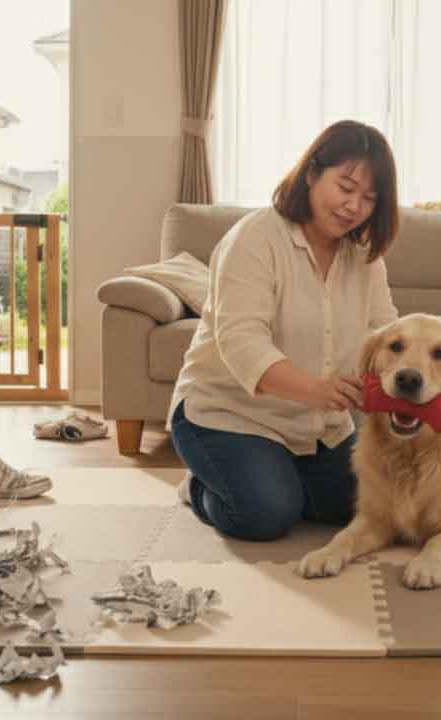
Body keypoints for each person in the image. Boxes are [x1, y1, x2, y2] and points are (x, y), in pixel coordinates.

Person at [167, 120, 401, 541]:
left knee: (372, 507)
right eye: (345, 188)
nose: (354, 207)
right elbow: (242, 342)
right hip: (228, 414)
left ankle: (277, 475)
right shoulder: (255, 238)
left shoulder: (365, 258)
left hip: (317, 427)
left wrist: (397, 387)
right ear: (312, 173)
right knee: (266, 514)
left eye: (368, 198)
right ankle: (201, 486)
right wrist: (315, 389)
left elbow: (384, 337)